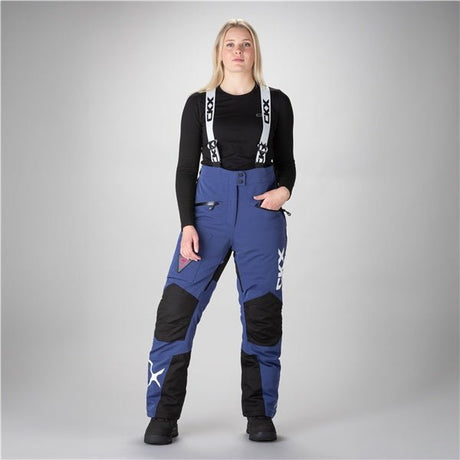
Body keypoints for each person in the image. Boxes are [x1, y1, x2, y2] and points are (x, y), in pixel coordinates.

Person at [144, 18, 296, 445]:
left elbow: (287, 163)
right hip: (207, 214)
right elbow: (184, 169)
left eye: (245, 44)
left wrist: (283, 191)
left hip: (260, 215)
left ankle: (260, 415)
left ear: (254, 51)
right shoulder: (198, 104)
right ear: (219, 52)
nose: (238, 51)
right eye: (230, 44)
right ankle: (162, 416)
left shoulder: (277, 102)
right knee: (175, 310)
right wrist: (186, 224)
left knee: (263, 314)